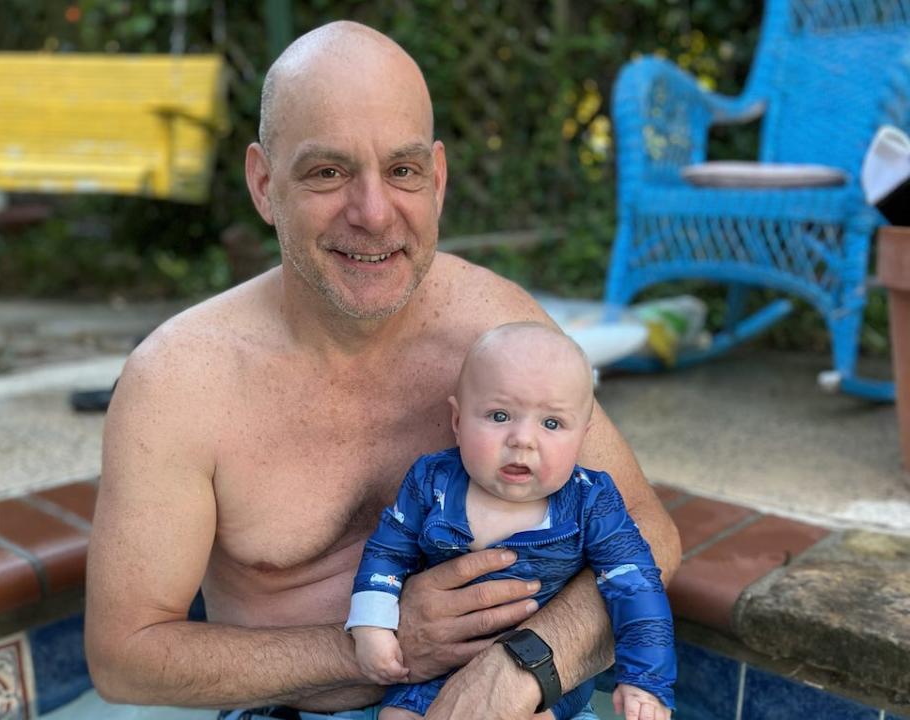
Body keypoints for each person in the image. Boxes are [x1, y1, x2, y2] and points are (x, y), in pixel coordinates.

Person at [84, 19, 681, 720]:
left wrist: (521, 668)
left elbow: (650, 535)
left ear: (438, 178)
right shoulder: (180, 381)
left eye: (402, 172)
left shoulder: (494, 328)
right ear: (263, 183)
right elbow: (124, 657)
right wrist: (377, 647)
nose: (373, 213)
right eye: (328, 172)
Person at [347, 323, 675, 720]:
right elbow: (388, 551)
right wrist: (373, 623)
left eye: (551, 423)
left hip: (543, 683)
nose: (522, 439)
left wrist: (645, 679)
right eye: (499, 415)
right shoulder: (433, 481)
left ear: (582, 436)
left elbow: (636, 584)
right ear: (457, 420)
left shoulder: (590, 501)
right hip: (431, 674)